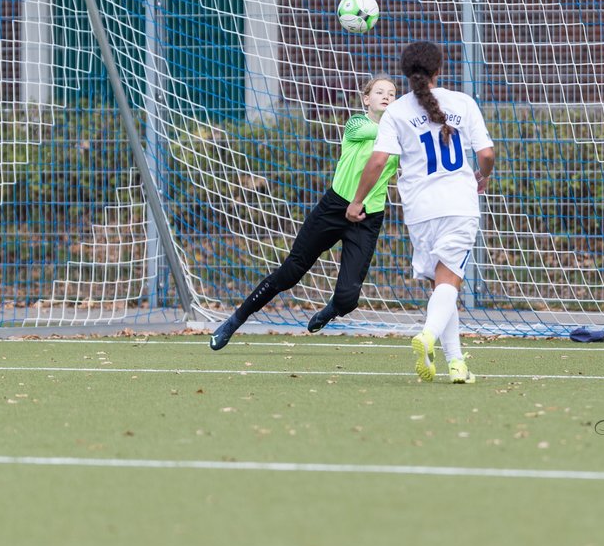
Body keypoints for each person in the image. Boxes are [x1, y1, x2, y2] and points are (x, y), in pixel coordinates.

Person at [210, 76, 401, 350]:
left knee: (348, 299)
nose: (386, 96)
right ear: (366, 99)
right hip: (335, 207)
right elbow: (380, 132)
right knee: (290, 273)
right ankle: (235, 320)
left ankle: (333, 308)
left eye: (392, 94)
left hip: (368, 218)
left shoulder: (397, 139)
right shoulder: (357, 125)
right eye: (380, 92)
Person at [345, 41, 495, 384]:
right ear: (439, 70)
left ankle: (456, 364)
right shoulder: (463, 102)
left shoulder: (397, 111)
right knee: (449, 282)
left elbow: (378, 161)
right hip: (458, 204)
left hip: (419, 209)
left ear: (406, 72)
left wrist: (357, 202)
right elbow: (486, 153)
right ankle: (427, 335)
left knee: (443, 284)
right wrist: (483, 176)